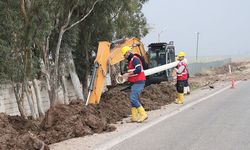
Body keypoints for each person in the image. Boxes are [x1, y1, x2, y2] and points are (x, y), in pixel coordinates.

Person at [121, 46, 148, 123]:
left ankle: (143, 114)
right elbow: (132, 73)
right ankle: (134, 117)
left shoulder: (135, 59)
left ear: (128, 52)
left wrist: (128, 74)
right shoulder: (130, 61)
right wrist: (126, 77)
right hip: (135, 82)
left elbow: (138, 70)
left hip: (139, 81)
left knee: (133, 98)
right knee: (133, 100)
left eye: (124, 55)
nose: (124, 56)